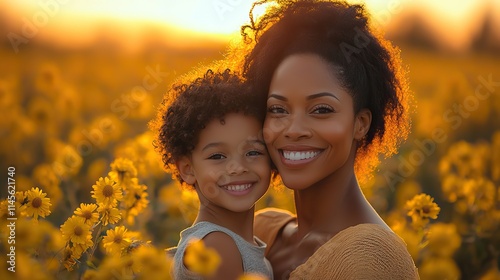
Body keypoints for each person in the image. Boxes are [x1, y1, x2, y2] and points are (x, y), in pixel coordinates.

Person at [234, 0, 420, 279]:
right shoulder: (261, 231)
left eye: (321, 110)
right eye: (278, 109)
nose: (294, 129)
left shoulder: (370, 260)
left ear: (361, 123)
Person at [150, 69, 274, 279]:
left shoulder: (228, 242)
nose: (237, 167)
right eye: (217, 156)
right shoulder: (217, 246)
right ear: (188, 169)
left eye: (253, 152)